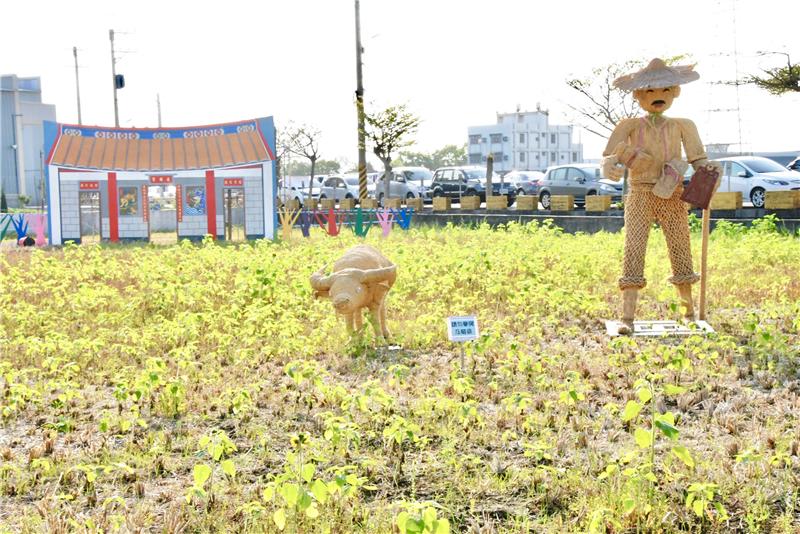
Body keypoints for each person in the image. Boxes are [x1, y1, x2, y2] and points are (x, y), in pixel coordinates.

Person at [601, 58, 721, 335]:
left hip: (673, 191)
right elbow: (608, 155)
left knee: (680, 248)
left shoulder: (683, 125)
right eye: (652, 91)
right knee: (633, 248)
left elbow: (698, 157)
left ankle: (688, 313)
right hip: (640, 192)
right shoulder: (629, 126)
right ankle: (627, 317)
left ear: (675, 92)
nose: (659, 97)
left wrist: (708, 170)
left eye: (666, 90)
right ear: (639, 95)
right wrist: (611, 165)